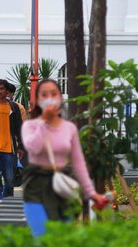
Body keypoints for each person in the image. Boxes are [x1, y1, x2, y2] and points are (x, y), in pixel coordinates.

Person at [21, 79, 105, 237]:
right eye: (44, 95)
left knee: (62, 236)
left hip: (63, 183)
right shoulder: (30, 126)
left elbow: (78, 162)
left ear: (60, 97)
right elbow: (33, 147)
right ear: (38, 100)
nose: (49, 98)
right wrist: (45, 122)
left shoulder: (69, 128)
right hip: (36, 183)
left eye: (54, 94)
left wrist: (91, 193)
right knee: (41, 235)